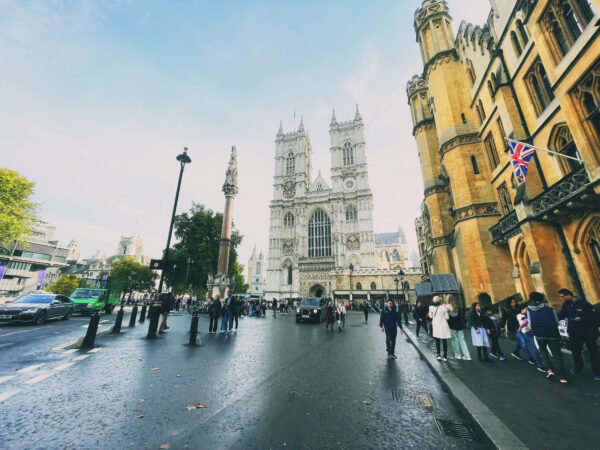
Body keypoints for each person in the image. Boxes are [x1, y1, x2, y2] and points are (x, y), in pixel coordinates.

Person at [558, 288, 600, 381]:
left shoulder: (584, 304)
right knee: (576, 351)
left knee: (593, 352)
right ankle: (578, 367)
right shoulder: (566, 305)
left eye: (563, 296)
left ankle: (597, 372)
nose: (563, 298)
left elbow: (595, 317)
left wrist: (582, 319)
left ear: (569, 295)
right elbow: (560, 315)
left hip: (589, 332)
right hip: (574, 332)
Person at [527, 292, 567, 383]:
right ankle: (562, 377)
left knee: (543, 352)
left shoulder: (529, 310)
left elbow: (530, 324)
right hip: (552, 334)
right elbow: (557, 322)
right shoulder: (550, 309)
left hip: (539, 335)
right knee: (556, 354)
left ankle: (549, 371)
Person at [513, 305, 545, 371]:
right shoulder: (519, 315)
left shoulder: (528, 314)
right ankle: (539, 364)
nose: (527, 310)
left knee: (538, 347)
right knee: (534, 348)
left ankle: (540, 360)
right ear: (522, 309)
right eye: (526, 309)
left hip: (533, 332)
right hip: (527, 333)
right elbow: (525, 322)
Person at [446, 295, 470, 360]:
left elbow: (446, 316)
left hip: (452, 325)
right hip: (459, 325)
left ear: (447, 299)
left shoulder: (447, 307)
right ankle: (467, 356)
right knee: (462, 340)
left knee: (454, 340)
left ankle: (458, 355)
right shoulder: (457, 306)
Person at [429, 296, 451, 361]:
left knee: (437, 340)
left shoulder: (431, 308)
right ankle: (445, 356)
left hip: (436, 325)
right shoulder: (443, 308)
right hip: (443, 325)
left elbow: (430, 316)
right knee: (444, 341)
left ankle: (438, 355)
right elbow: (447, 317)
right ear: (440, 301)